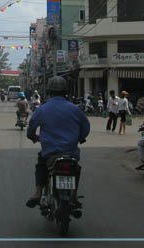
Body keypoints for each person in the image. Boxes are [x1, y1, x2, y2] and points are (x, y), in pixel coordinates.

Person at [25, 76, 90, 208]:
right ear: (65, 91)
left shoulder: (42, 109)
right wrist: (80, 137)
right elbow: (86, 128)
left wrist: (33, 137)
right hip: (71, 153)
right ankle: (74, 195)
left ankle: (38, 193)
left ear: (49, 92)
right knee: (75, 169)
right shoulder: (75, 109)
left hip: (49, 153)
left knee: (41, 166)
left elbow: (31, 128)